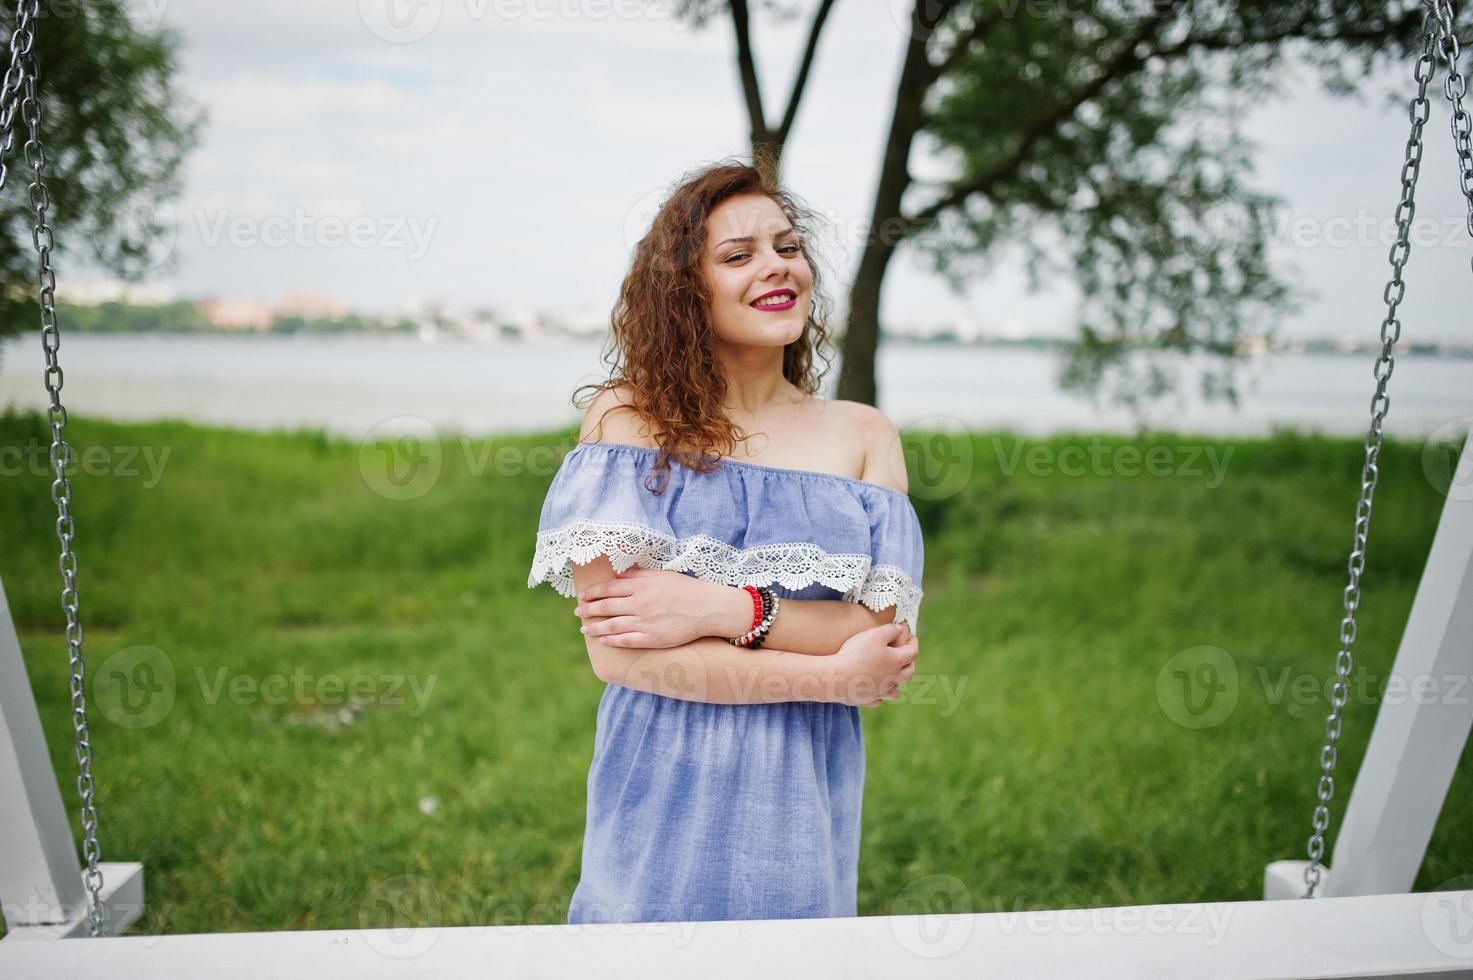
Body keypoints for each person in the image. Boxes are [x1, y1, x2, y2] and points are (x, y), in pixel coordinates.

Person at [527, 158, 924, 925]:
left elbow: (881, 643)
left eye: (786, 246)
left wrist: (719, 607)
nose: (776, 267)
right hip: (660, 783)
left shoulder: (863, 435)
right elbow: (620, 654)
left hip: (799, 794)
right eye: (738, 255)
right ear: (685, 289)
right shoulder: (627, 424)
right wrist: (826, 671)